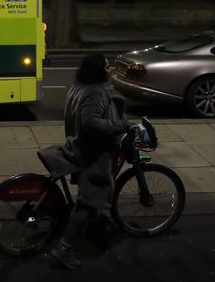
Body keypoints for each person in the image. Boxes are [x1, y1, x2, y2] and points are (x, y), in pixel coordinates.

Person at [45, 53, 132, 270]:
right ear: (98, 69)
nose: (109, 68)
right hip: (91, 153)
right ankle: (64, 248)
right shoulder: (95, 92)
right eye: (106, 65)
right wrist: (120, 125)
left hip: (76, 144)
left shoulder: (80, 86)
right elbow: (91, 122)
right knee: (88, 201)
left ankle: (95, 223)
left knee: (99, 193)